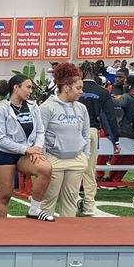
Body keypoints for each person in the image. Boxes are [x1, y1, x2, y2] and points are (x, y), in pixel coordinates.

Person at [0, 74, 54, 221]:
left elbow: (40, 131)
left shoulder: (33, 106)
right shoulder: (1, 109)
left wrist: (36, 148)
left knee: (45, 168)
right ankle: (0, 230)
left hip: (26, 153)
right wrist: (25, 149)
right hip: (3, 154)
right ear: (16, 88)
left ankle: (35, 209)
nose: (30, 91)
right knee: (4, 195)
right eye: (28, 87)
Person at [40, 63, 89, 218]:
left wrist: (85, 157)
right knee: (48, 200)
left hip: (77, 161)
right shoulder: (47, 107)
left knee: (71, 201)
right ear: (67, 87)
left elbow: (85, 134)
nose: (81, 92)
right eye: (78, 88)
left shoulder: (81, 108)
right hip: (54, 160)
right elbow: (40, 135)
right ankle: (43, 237)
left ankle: (69, 238)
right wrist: (44, 160)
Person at [79, 61, 121, 216]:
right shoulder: (102, 92)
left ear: (81, 72)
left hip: (73, 132)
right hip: (91, 132)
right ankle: (89, 204)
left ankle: (73, 200)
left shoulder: (73, 90)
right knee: (90, 170)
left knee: (72, 168)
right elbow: (109, 117)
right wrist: (115, 140)